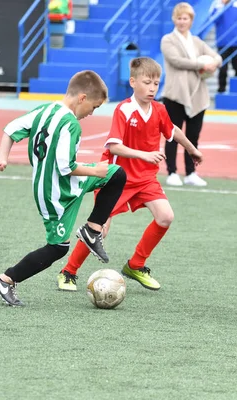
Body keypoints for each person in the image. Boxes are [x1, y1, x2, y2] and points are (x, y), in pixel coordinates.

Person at [57, 57, 204, 292]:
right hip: (117, 179)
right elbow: (113, 146)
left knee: (165, 217)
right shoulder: (124, 109)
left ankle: (136, 265)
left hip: (145, 179)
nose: (152, 88)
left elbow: (172, 130)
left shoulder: (159, 109)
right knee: (99, 228)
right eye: (147, 82)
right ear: (133, 82)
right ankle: (68, 271)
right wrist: (144, 155)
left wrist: (191, 148)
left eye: (157, 83)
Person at [0, 71, 127, 306]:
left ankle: (92, 231)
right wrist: (94, 171)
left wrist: (3, 156)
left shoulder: (44, 110)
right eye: (93, 107)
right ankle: (6, 280)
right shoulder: (71, 124)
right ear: (82, 98)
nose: (92, 113)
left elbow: (11, 129)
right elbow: (65, 167)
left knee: (117, 174)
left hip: (68, 184)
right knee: (57, 248)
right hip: (55, 194)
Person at [160, 2, 221, 187]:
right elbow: (176, 61)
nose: (182, 22)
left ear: (191, 20)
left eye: (185, 18)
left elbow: (216, 56)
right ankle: (171, 171)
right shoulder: (168, 40)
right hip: (175, 94)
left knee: (193, 137)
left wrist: (213, 63)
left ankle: (191, 172)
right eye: (179, 18)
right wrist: (201, 64)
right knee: (173, 135)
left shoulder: (197, 42)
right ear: (174, 19)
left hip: (197, 95)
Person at [209, 0, 237, 94]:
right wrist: (221, 5)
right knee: (223, 67)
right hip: (223, 42)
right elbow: (214, 20)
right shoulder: (217, 4)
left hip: (236, 41)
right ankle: (221, 90)